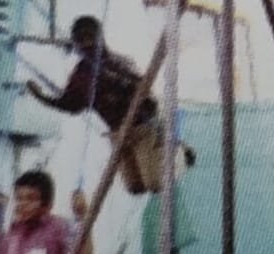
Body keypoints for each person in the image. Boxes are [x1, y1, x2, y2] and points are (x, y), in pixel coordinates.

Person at [27, 15, 192, 194]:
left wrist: (119, 82)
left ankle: (180, 153)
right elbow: (71, 105)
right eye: (81, 40)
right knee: (135, 188)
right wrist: (43, 97)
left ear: (100, 38)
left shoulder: (119, 62)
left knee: (156, 183)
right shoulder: (81, 74)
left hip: (143, 128)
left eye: (90, 38)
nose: (86, 44)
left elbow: (145, 91)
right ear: (76, 43)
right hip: (118, 134)